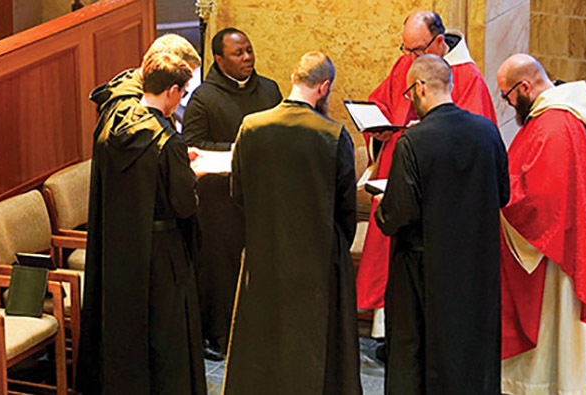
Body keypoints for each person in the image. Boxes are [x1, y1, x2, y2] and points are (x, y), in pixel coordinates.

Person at [222, 52, 361, 395]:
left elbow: (238, 194)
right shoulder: (333, 135)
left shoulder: (251, 127)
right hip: (317, 261)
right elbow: (347, 210)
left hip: (264, 255)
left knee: (263, 345)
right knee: (314, 350)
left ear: (293, 77)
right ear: (324, 87)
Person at [357, 10, 498, 340]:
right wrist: (379, 128)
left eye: (417, 50)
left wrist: (428, 134)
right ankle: (386, 330)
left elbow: (469, 139)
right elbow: (383, 100)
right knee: (391, 255)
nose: (409, 59)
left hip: (435, 194)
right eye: (405, 49)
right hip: (397, 174)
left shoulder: (467, 77)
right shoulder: (407, 63)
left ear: (438, 42)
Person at [495, 54, 586, 395]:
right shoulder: (558, 117)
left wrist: (498, 194)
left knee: (557, 328)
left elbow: (540, 204)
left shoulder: (553, 127)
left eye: (507, 95)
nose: (508, 103)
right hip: (566, 243)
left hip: (556, 258)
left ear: (525, 87)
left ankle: (550, 385)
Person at [375, 54, 509, 395]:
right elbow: (503, 193)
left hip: (423, 271)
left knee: (416, 354)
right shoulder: (487, 131)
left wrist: (381, 206)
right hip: (477, 269)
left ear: (419, 88)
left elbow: (397, 216)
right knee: (472, 353)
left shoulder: (413, 142)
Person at [78, 51, 206, 395]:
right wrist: (191, 174)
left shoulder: (110, 125)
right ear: (172, 91)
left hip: (120, 247)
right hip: (162, 256)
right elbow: (183, 205)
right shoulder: (167, 141)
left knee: (126, 334)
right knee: (166, 340)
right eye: (183, 91)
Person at [182, 27, 282, 361]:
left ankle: (261, 329)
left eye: (250, 51)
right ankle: (219, 334)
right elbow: (192, 146)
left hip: (261, 196)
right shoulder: (204, 97)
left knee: (263, 264)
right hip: (218, 200)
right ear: (219, 59)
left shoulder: (268, 89)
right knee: (221, 269)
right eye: (239, 54)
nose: (248, 58)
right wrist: (242, 150)